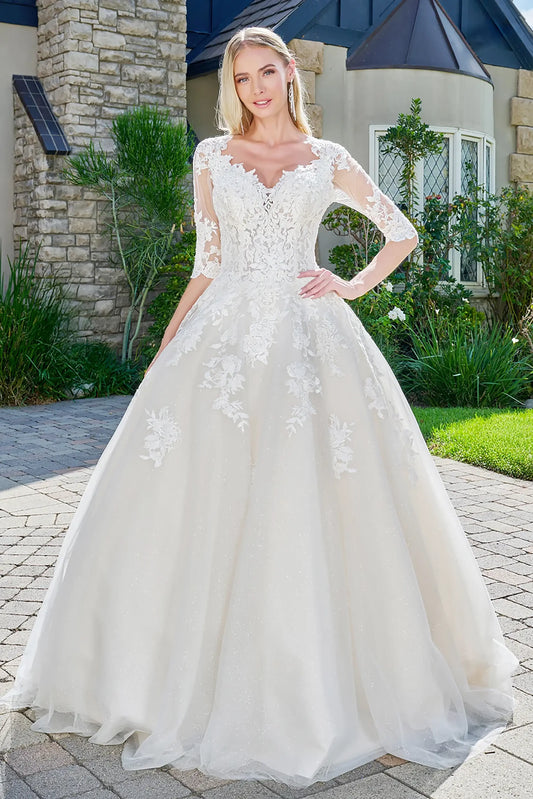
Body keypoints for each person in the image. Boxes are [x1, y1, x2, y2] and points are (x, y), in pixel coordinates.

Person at [0, 26, 518, 788]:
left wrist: (347, 283)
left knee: (317, 495)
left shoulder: (328, 158)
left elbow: (400, 232)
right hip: (224, 343)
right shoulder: (212, 156)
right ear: (232, 87)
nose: (254, 89)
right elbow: (209, 262)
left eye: (266, 72)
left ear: (288, 75)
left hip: (312, 341)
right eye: (240, 78)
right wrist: (168, 346)